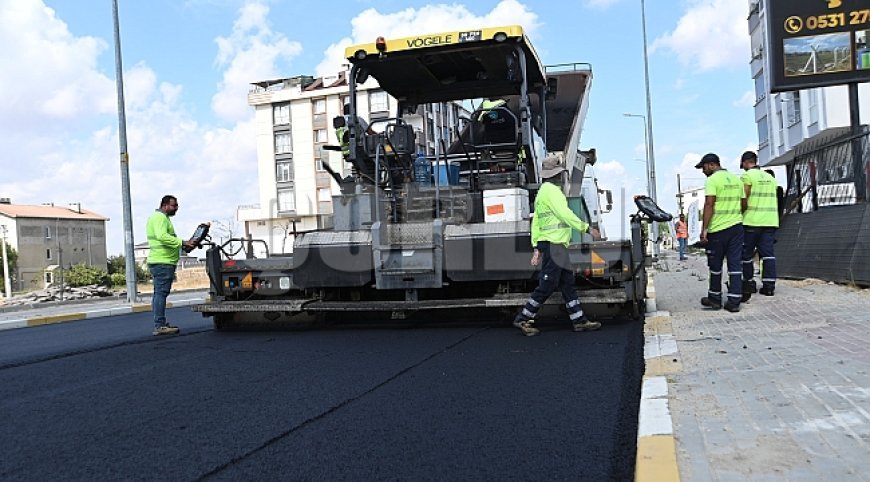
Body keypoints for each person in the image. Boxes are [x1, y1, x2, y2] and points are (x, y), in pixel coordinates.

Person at [513, 155, 602, 336]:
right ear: (556, 175)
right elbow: (565, 214)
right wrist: (586, 228)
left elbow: (537, 222)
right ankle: (523, 318)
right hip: (555, 245)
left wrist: (537, 247)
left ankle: (579, 320)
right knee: (547, 284)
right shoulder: (553, 192)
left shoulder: (542, 192)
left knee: (567, 284)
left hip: (554, 244)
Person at [696, 153, 745, 313]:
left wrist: (704, 230)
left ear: (712, 165)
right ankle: (734, 301)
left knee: (715, 265)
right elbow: (744, 203)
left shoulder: (712, 180)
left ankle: (715, 299)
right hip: (736, 227)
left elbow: (709, 204)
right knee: (735, 264)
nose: (703, 171)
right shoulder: (737, 179)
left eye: (704, 167)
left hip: (718, 230)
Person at [146, 195, 196, 336]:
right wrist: (182, 242)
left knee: (159, 293)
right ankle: (160, 325)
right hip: (163, 261)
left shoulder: (159, 218)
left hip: (160, 261)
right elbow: (162, 236)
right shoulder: (160, 218)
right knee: (161, 293)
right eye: (174, 205)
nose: (176, 208)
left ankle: (160, 323)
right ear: (165, 205)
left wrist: (183, 245)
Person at [742, 152, 779, 297]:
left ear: (746, 162)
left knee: (746, 255)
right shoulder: (770, 178)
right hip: (770, 221)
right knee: (768, 255)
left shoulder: (747, 176)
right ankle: (769, 286)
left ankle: (749, 283)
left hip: (751, 221)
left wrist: (740, 213)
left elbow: (744, 198)